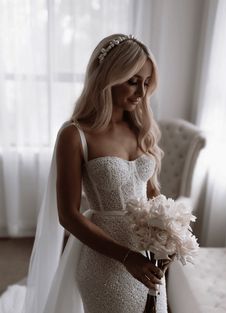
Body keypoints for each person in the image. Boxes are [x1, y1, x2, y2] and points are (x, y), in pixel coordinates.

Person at [0, 34, 172, 313]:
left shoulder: (141, 129)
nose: (141, 92)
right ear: (108, 76)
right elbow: (68, 215)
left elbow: (152, 194)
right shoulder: (75, 134)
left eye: (146, 83)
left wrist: (168, 236)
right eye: (132, 81)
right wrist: (126, 257)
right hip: (103, 258)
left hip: (145, 257)